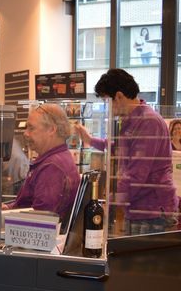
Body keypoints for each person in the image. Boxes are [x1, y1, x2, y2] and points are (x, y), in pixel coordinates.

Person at [74, 68, 178, 235]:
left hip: (152, 210)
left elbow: (137, 173)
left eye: (107, 101)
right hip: (139, 206)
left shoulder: (147, 122)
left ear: (119, 96)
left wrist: (110, 202)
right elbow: (119, 147)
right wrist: (90, 140)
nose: (108, 108)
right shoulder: (132, 120)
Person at [2, 104, 80, 223]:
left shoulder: (52, 168)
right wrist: (8, 208)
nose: (26, 133)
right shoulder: (57, 159)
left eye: (31, 128)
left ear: (51, 130)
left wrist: (4, 218)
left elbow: (40, 221)